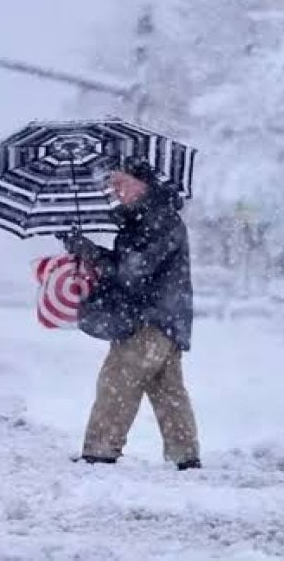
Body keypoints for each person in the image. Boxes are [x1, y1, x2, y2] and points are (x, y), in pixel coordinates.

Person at [61, 157, 201, 470]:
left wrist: (90, 252)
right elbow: (131, 264)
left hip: (147, 320)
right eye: (113, 185)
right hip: (166, 319)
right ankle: (185, 457)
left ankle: (99, 453)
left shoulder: (157, 219)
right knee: (168, 392)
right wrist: (85, 248)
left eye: (123, 183)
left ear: (144, 183)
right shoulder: (146, 219)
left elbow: (133, 271)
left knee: (116, 382)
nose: (117, 191)